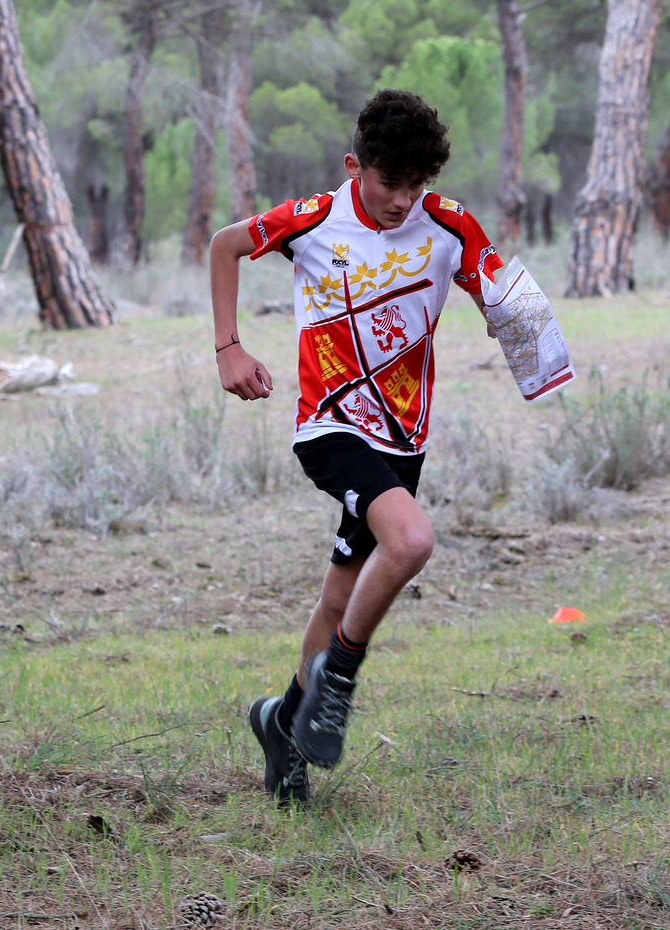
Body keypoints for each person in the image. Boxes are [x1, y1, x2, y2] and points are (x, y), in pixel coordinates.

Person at [209, 88, 504, 806]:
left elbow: (497, 292)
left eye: (415, 185)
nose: (401, 200)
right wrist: (228, 347)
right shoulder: (315, 220)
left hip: (404, 439)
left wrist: (512, 320)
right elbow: (227, 245)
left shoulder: (450, 227)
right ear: (355, 166)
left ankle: (281, 721)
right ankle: (335, 683)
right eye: (387, 182)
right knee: (410, 542)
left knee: (343, 592)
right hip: (332, 429)